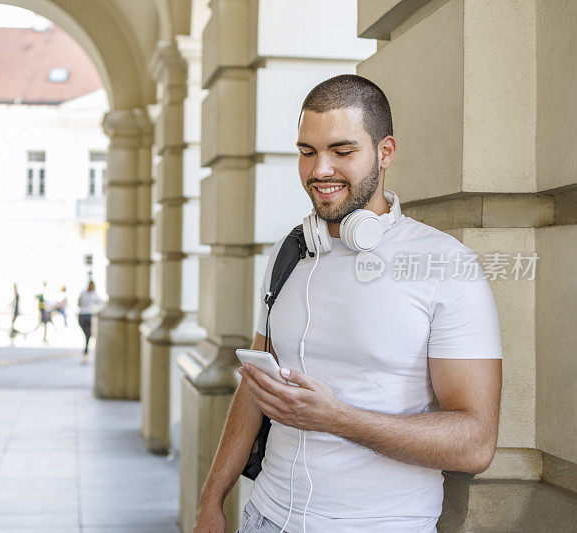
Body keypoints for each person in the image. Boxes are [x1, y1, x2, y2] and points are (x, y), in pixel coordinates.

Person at [193, 75, 502, 533]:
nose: (320, 170)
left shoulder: (446, 264)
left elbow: (475, 444)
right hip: (265, 516)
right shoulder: (290, 251)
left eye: (342, 152)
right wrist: (212, 499)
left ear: (385, 153)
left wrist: (338, 419)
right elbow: (257, 384)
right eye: (307, 152)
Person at [77, 280, 104, 364]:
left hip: (81, 316)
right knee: (89, 336)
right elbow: (102, 303)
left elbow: (79, 303)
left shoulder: (83, 293)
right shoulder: (94, 295)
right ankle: (86, 354)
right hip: (89, 316)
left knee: (87, 336)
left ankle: (86, 354)